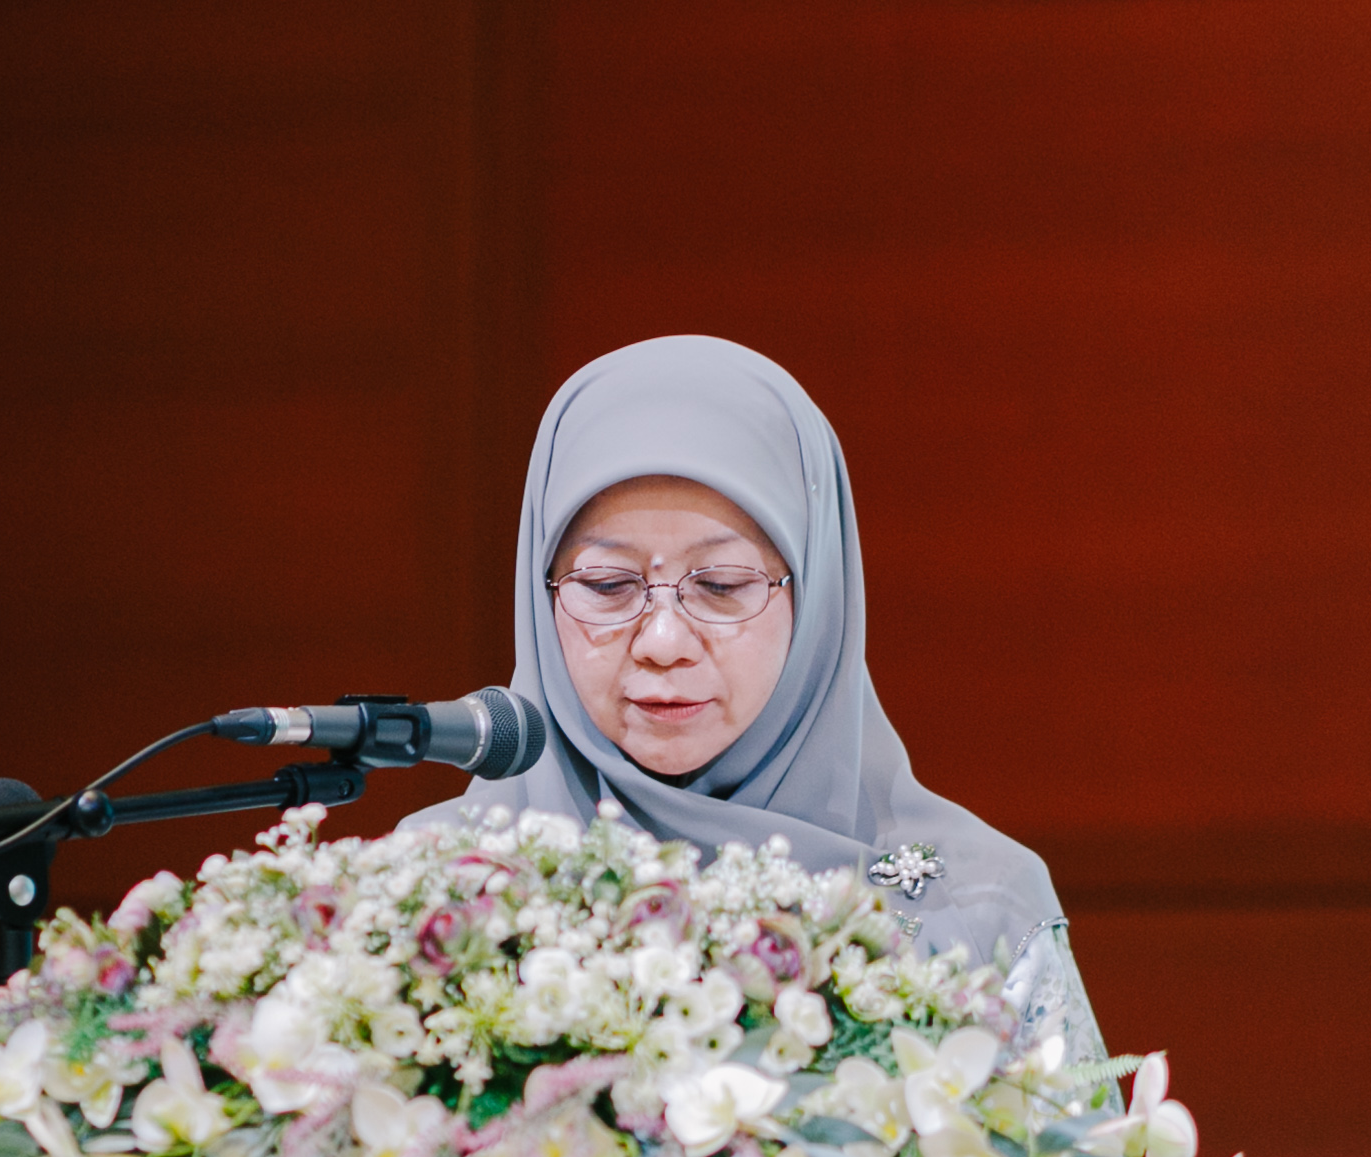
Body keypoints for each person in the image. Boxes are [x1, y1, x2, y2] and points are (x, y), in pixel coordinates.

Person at [415, 333, 1109, 1069]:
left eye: (721, 585)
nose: (662, 641)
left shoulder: (971, 911)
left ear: (816, 596)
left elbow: (1074, 1148)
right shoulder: (430, 897)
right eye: (607, 586)